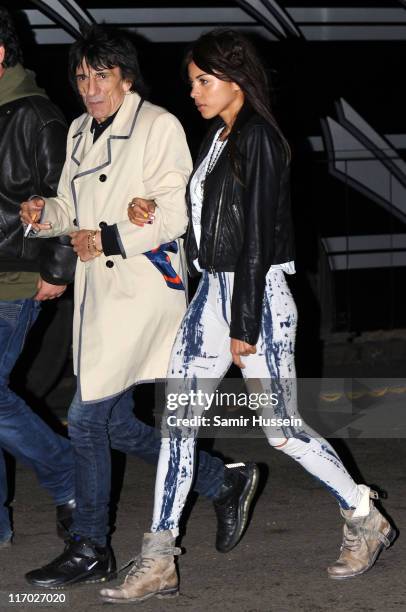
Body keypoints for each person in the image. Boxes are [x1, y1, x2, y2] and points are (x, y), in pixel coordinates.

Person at [99, 28, 397, 604]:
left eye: (204, 81)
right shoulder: (218, 138)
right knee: (178, 426)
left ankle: (364, 515)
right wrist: (155, 208)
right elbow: (211, 224)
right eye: (192, 83)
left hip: (255, 297)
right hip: (209, 294)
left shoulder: (259, 138)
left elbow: (257, 238)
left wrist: (244, 323)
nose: (195, 92)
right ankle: (159, 556)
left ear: (237, 78)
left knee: (281, 431)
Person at [21, 25, 258, 588]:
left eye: (101, 75)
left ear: (126, 78)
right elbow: (71, 207)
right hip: (99, 295)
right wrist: (45, 214)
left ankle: (90, 544)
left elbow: (176, 214)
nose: (90, 87)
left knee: (84, 418)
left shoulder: (157, 125)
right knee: (117, 423)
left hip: (143, 291)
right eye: (81, 76)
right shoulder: (79, 130)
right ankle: (221, 481)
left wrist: (109, 237)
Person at [0, 6, 76, 547]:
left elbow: (66, 198)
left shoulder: (36, 114)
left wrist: (56, 268)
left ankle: (69, 473)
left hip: (15, 278)